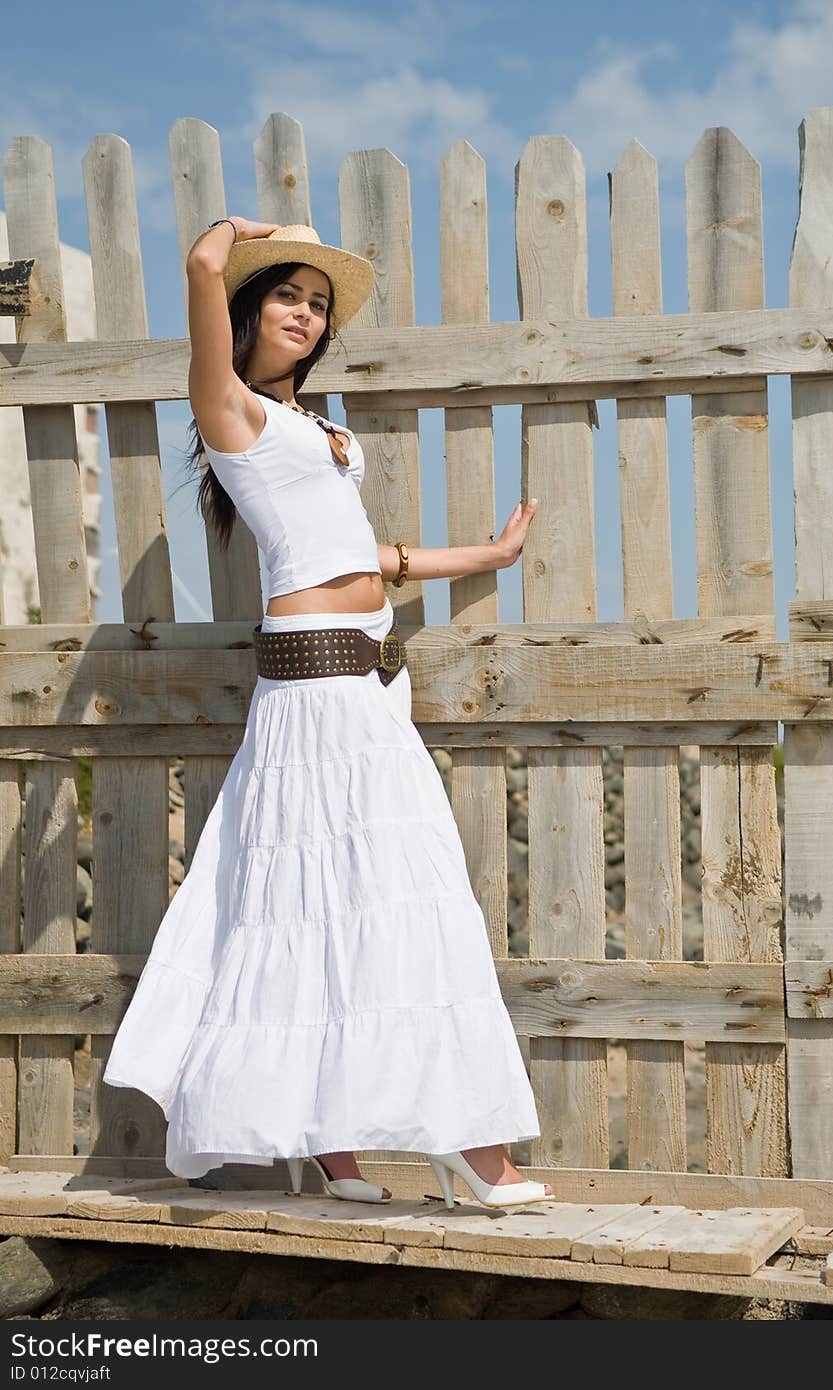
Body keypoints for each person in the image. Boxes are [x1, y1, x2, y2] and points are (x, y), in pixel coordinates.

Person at [102, 216, 555, 1212]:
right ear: (248, 313)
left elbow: (359, 554)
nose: (304, 313)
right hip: (309, 693)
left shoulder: (313, 427)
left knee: (362, 898)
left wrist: (479, 559)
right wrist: (243, 233)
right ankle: (470, 1147)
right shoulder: (228, 410)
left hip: (364, 684)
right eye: (285, 295)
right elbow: (201, 263)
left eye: (316, 302)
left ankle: (339, 1149)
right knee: (360, 894)